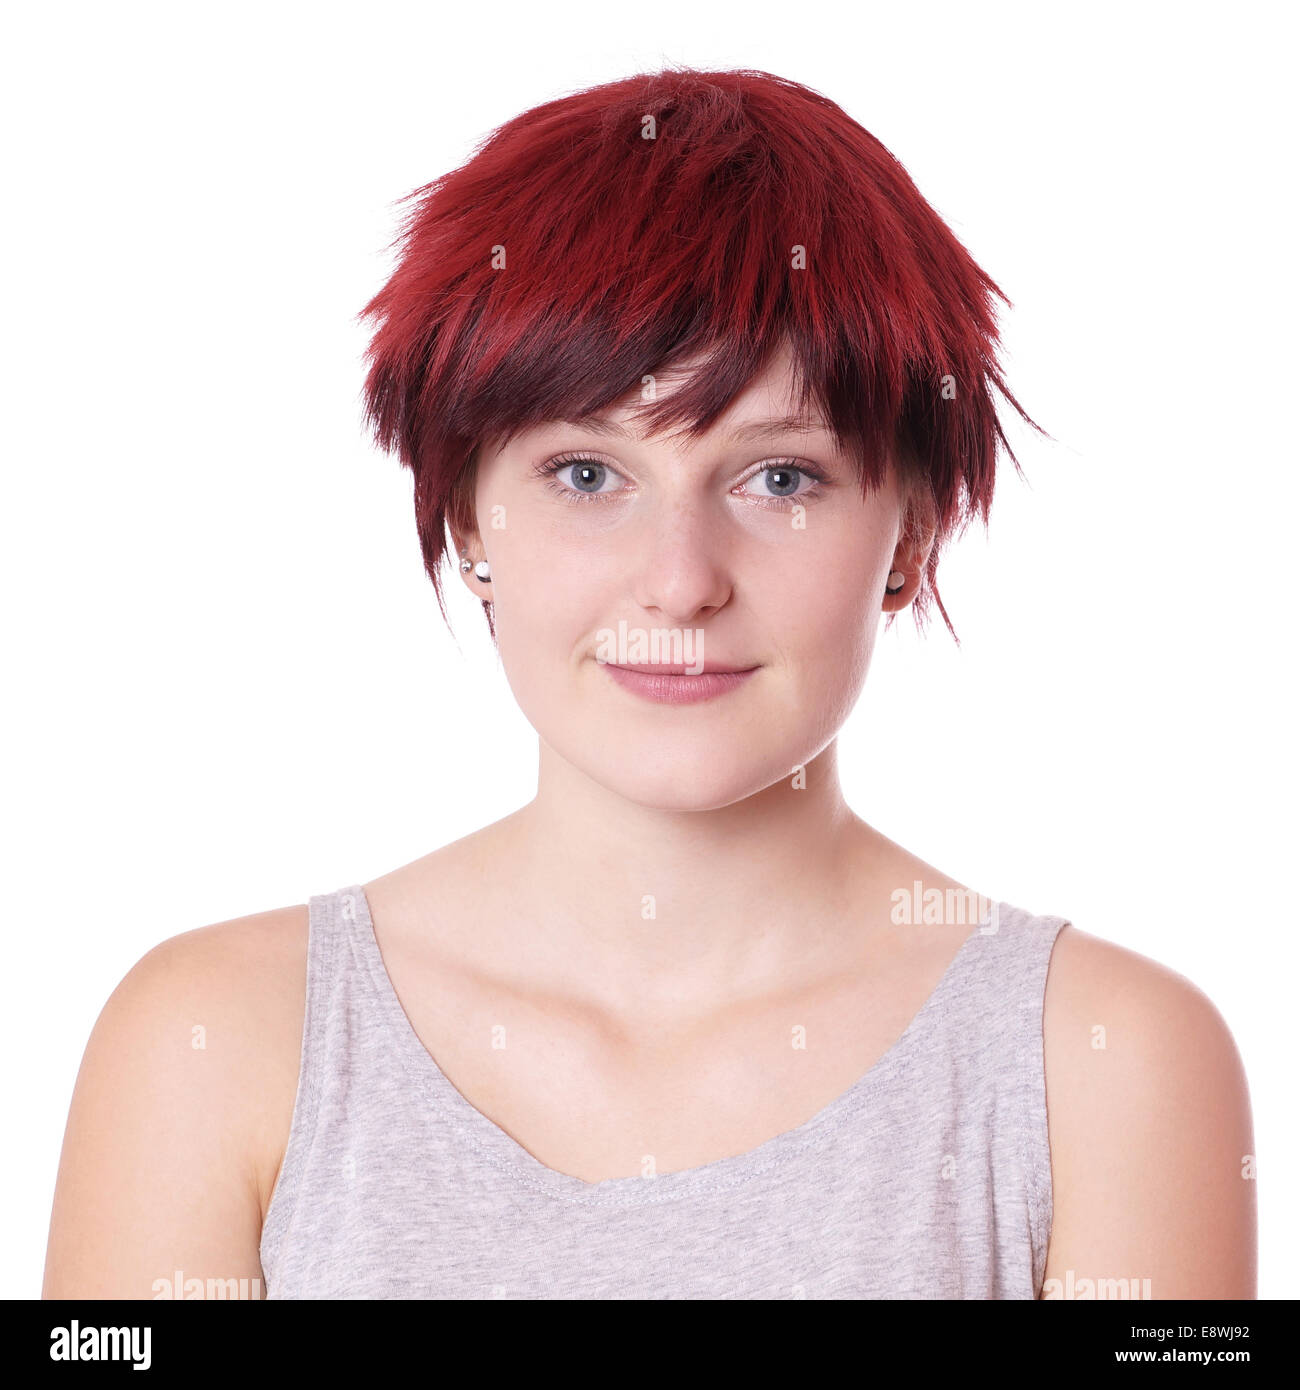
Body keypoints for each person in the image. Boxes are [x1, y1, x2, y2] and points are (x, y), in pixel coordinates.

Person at [42, 65, 1256, 1300]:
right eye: (586, 474)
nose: (680, 584)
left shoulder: (1105, 1067)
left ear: (914, 534)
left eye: (779, 479)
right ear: (465, 517)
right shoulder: (212, 1044)